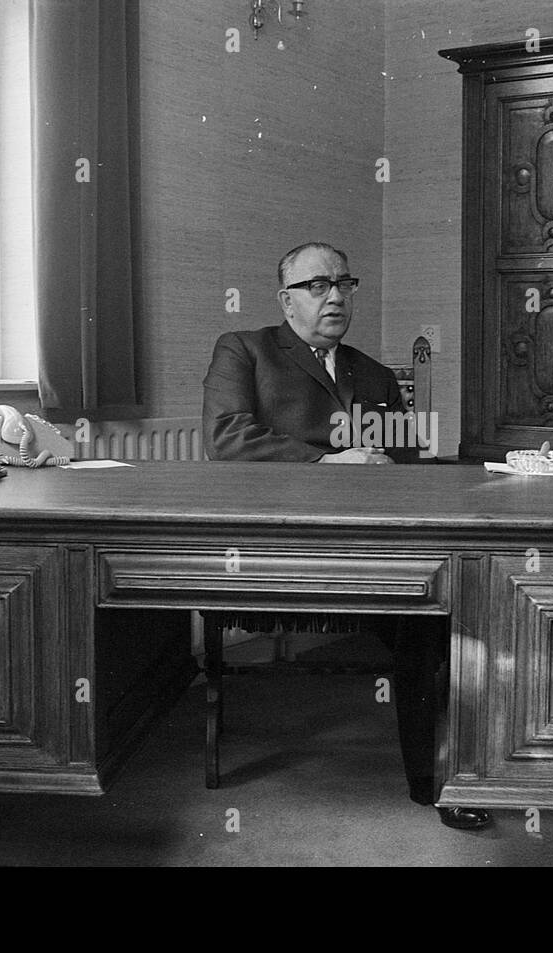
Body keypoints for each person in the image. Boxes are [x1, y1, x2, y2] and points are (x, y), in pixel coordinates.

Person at [201, 241, 489, 830]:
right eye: (317, 285)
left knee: (443, 610)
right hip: (279, 551)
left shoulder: (375, 373)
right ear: (286, 299)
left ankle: (432, 779)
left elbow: (406, 460)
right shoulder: (245, 351)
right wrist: (325, 464)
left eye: (344, 283)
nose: (335, 295)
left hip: (367, 548)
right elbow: (227, 438)